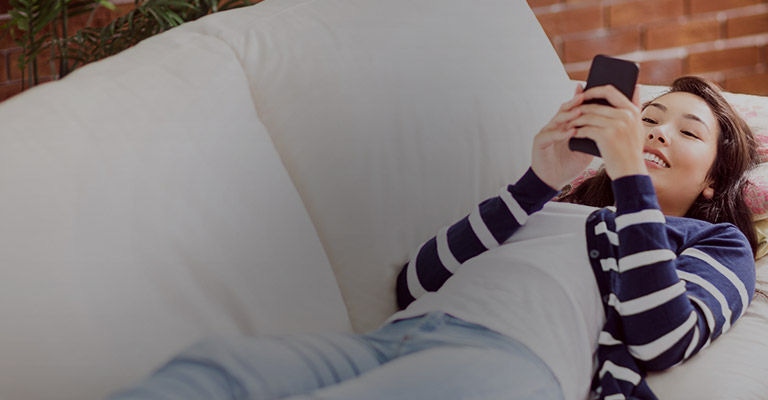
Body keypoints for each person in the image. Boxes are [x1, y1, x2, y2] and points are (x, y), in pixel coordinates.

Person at [109, 76, 758, 400]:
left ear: (712, 180)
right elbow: (415, 281)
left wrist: (627, 176)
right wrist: (537, 179)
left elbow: (662, 335)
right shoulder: (554, 205)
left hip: (510, 367)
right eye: (648, 118)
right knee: (212, 369)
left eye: (687, 131)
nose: (657, 132)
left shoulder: (711, 243)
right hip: (398, 339)